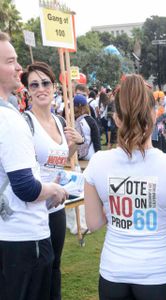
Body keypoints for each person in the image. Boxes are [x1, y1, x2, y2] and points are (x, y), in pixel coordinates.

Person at [83, 74, 166, 300]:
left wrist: (119, 208)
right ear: (155, 115)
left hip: (114, 270)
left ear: (116, 118)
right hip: (156, 273)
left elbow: (94, 222)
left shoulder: (98, 163)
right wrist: (163, 214)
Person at [0, 32, 67, 300]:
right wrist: (54, 190)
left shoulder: (57, 122)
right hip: (24, 236)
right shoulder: (13, 120)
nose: (19, 68)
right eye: (10, 61)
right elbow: (26, 187)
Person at [20, 61, 83, 300]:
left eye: (45, 83)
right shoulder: (24, 123)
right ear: (27, 90)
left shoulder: (58, 121)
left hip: (56, 206)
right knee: (39, 271)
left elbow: (59, 160)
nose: (40, 88)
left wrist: (74, 145)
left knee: (55, 267)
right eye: (34, 84)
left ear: (54, 86)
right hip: (32, 207)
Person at [74, 94, 101, 160]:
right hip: (90, 155)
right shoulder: (90, 120)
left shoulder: (70, 119)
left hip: (74, 155)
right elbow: (96, 141)